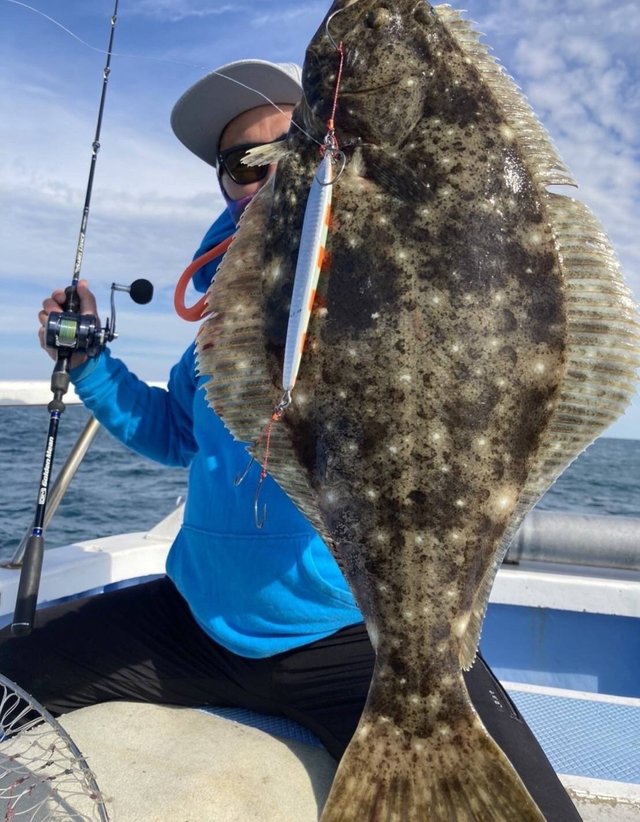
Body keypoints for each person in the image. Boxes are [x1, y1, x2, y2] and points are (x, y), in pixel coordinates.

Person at [0, 59, 580, 821]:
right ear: (226, 184)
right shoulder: (211, 338)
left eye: (297, 146)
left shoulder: (379, 301)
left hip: (359, 642)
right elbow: (178, 435)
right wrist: (90, 365)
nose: (268, 173)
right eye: (244, 161)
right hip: (194, 625)